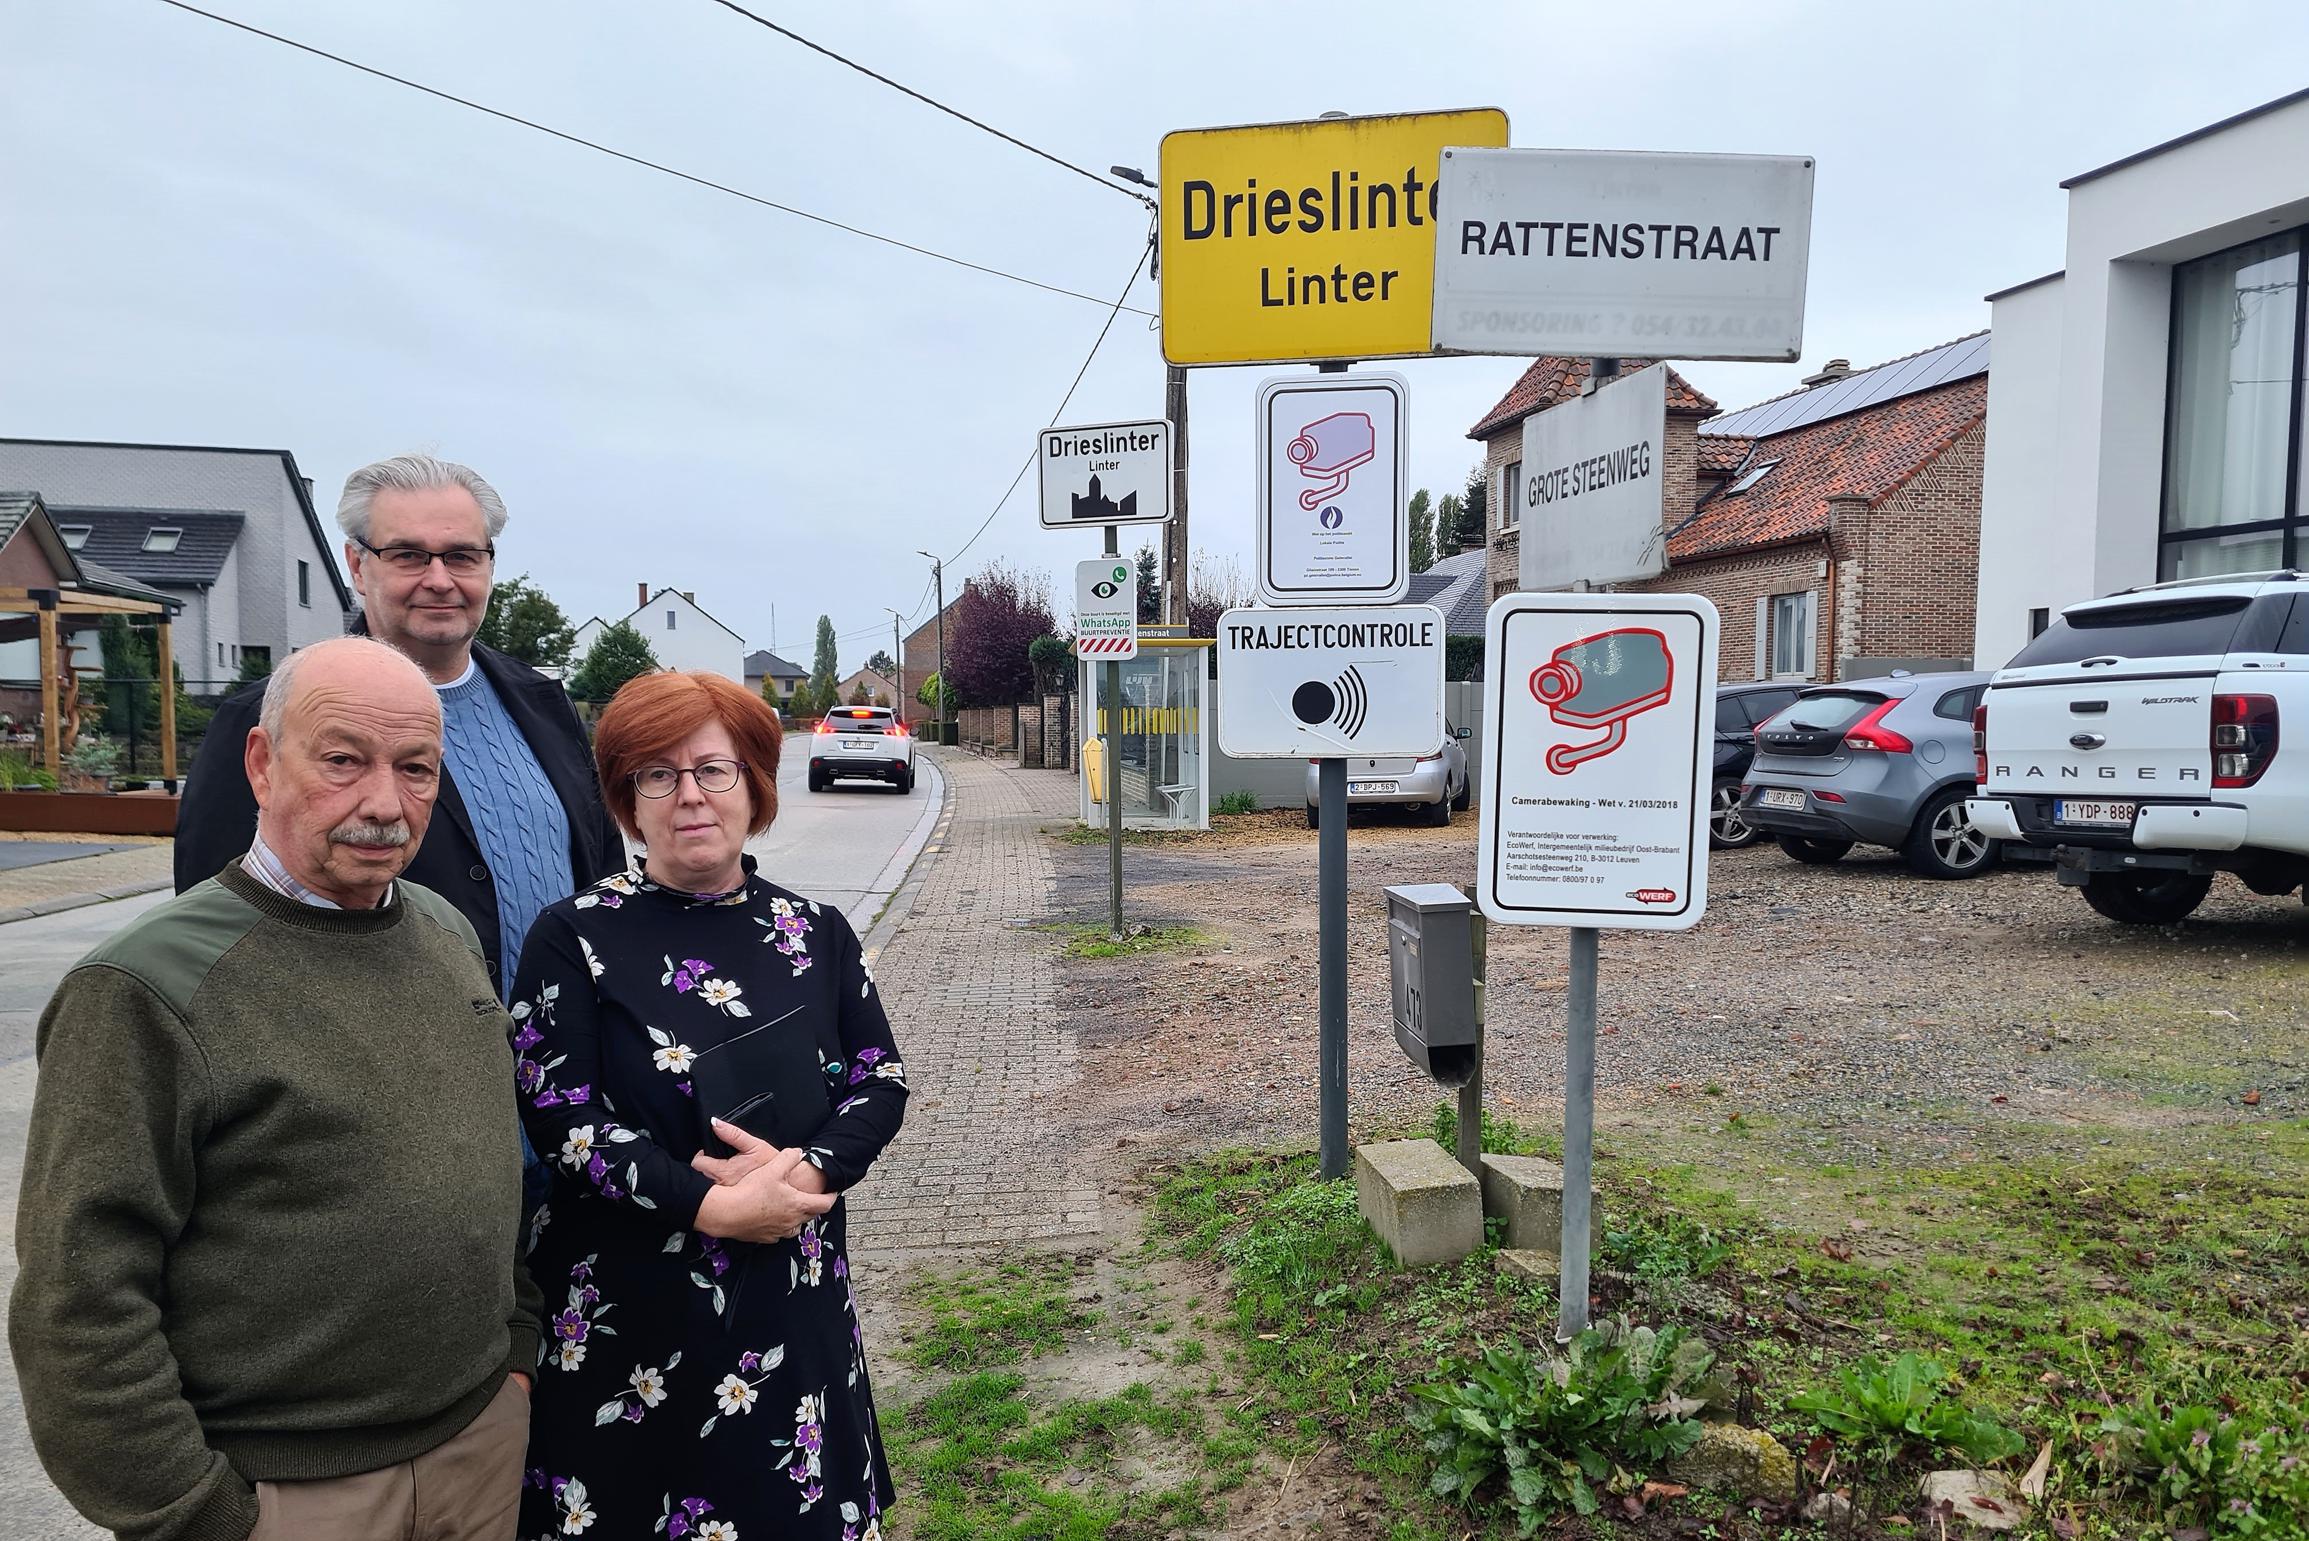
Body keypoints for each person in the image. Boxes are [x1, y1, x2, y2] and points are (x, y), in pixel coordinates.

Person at [10, 636, 541, 1541]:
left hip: (476, 1450)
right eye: (343, 760)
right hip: (283, 1493)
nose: (384, 802)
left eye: (416, 768)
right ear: (262, 763)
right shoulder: (146, 987)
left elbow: (489, 1167)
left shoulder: (446, 931)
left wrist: (518, 1353)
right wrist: (199, 1514)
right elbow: (79, 1299)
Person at [512, 671, 906, 1541]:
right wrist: (718, 1204)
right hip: (631, 1317)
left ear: (754, 785)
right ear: (626, 797)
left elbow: (881, 1081)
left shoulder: (817, 932)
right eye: (657, 774)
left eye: (712, 770)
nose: (689, 795)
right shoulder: (572, 937)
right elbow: (561, 1114)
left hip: (787, 1297)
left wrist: (805, 1171)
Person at [175, 453, 626, 1211]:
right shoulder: (266, 722)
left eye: (462, 555)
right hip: (387, 1144)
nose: (439, 578)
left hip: (566, 1129)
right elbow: (219, 941)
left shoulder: (542, 705)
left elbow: (607, 894)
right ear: (357, 564)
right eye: (409, 554)